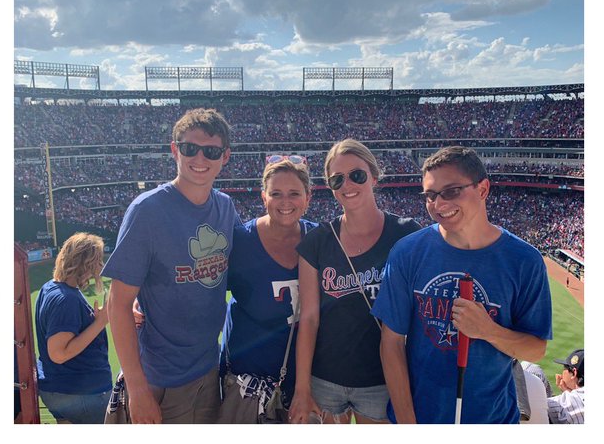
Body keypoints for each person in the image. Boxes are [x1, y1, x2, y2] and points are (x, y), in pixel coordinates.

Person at [373, 146, 552, 424]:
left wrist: (488, 330)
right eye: (430, 195)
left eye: (451, 191)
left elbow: (535, 349)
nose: (438, 204)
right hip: (419, 417)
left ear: (482, 190)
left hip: (492, 419)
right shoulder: (407, 252)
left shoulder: (525, 260)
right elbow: (391, 343)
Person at [102, 108, 236, 424]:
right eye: (190, 148)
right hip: (159, 378)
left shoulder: (226, 207)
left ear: (225, 157)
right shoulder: (147, 211)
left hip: (208, 367)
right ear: (175, 149)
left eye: (211, 151)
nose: (200, 158)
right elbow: (118, 304)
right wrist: (137, 389)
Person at [289, 139, 422, 424]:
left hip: (383, 381)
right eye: (337, 179)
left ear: (374, 176)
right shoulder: (318, 241)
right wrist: (302, 388)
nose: (347, 184)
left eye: (357, 175)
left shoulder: (406, 234)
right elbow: (309, 319)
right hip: (325, 379)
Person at [220, 158, 317, 423]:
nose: (285, 202)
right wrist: (141, 301)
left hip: (305, 382)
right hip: (246, 382)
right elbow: (200, 286)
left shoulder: (320, 241)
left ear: (308, 197)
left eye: (294, 193)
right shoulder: (240, 241)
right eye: (276, 194)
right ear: (264, 197)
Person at [34, 233, 112, 423]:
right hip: (80, 394)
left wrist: (92, 321)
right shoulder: (66, 299)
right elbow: (59, 353)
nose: (100, 266)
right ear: (84, 263)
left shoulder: (50, 288)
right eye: (97, 260)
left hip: (65, 390)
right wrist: (100, 323)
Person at [546, 348, 584, 423]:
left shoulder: (566, 402)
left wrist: (567, 395)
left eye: (564, 368)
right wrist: (568, 393)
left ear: (574, 373)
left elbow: (538, 406)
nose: (562, 373)